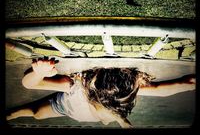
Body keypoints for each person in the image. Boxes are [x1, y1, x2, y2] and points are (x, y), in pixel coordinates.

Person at [6, 58, 195, 128]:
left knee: (38, 115)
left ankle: (120, 119)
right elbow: (30, 84)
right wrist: (37, 73)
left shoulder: (123, 91)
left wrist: (38, 73)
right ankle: (12, 114)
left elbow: (30, 84)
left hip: (72, 110)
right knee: (37, 114)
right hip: (66, 106)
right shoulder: (74, 84)